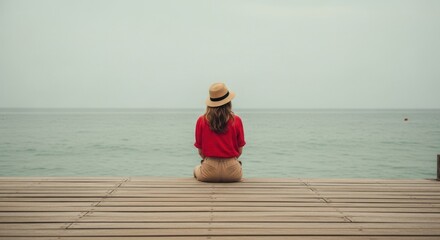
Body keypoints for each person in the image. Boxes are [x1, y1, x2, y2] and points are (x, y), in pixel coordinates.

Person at [193, 83, 246, 182]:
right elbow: (239, 150)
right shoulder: (236, 120)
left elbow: (200, 152)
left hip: (209, 170)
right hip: (232, 171)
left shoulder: (201, 120)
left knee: (196, 169)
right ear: (228, 102)